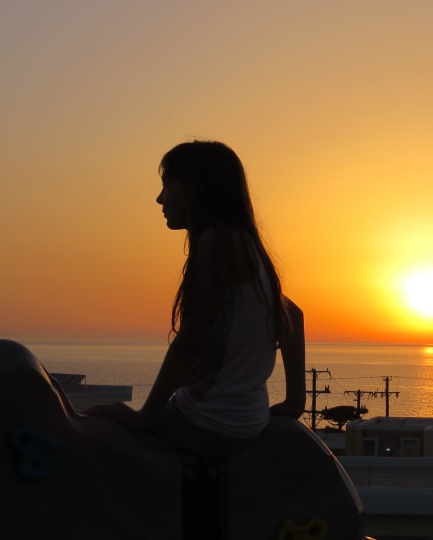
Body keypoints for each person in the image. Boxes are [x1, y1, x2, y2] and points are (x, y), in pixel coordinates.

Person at [87, 140, 305, 456]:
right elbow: (293, 316)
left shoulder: (218, 243)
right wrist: (295, 401)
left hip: (210, 423)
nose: (159, 198)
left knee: (98, 433)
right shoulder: (245, 246)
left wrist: (143, 417)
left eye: (166, 185)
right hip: (245, 419)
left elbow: (191, 341)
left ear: (195, 188)